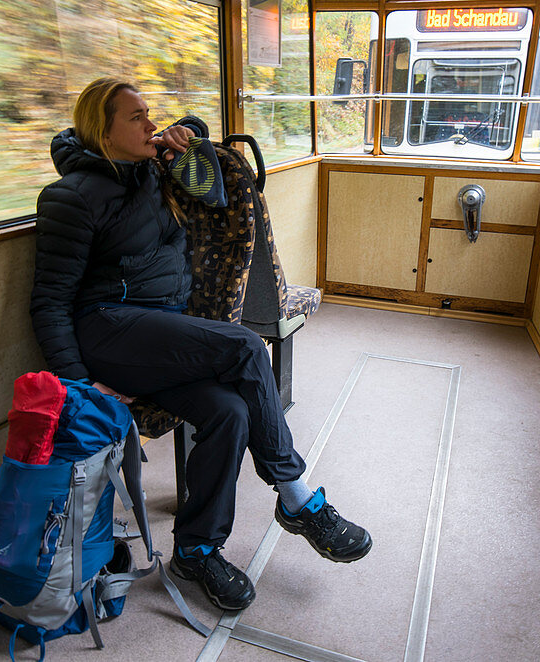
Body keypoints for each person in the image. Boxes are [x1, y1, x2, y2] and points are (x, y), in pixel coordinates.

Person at [30, 78, 371, 612]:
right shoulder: (69, 197)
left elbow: (199, 127)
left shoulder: (151, 169)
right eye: (136, 117)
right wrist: (80, 383)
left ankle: (195, 549)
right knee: (246, 348)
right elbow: (50, 301)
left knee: (230, 412)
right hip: (109, 331)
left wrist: (183, 131)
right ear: (103, 129)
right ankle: (295, 495)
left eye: (150, 114)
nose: (149, 124)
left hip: (159, 330)